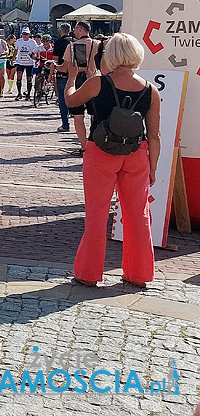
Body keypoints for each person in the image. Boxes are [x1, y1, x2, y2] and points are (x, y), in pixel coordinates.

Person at [65, 33, 160, 288]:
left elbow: (71, 100)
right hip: (136, 154)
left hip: (101, 152)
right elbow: (154, 135)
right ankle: (138, 273)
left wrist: (72, 77)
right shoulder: (150, 90)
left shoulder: (98, 83)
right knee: (138, 215)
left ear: (112, 55)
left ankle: (88, 273)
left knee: (96, 215)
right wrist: (153, 167)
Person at [61, 20, 99, 153]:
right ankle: (95, 144)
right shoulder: (98, 44)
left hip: (77, 81)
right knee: (95, 115)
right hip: (95, 81)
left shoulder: (72, 46)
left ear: (79, 29)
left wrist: (54, 67)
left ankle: (84, 147)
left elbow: (65, 68)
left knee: (78, 117)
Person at [13, 28, 40, 100]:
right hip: (20, 62)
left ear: (29, 35)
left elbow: (37, 50)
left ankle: (28, 94)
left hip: (29, 63)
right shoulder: (19, 41)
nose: (24, 35)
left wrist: (37, 58)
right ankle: (19, 93)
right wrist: (13, 59)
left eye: (26, 34)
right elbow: (16, 50)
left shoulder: (32, 42)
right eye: (23, 34)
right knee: (19, 77)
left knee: (29, 79)